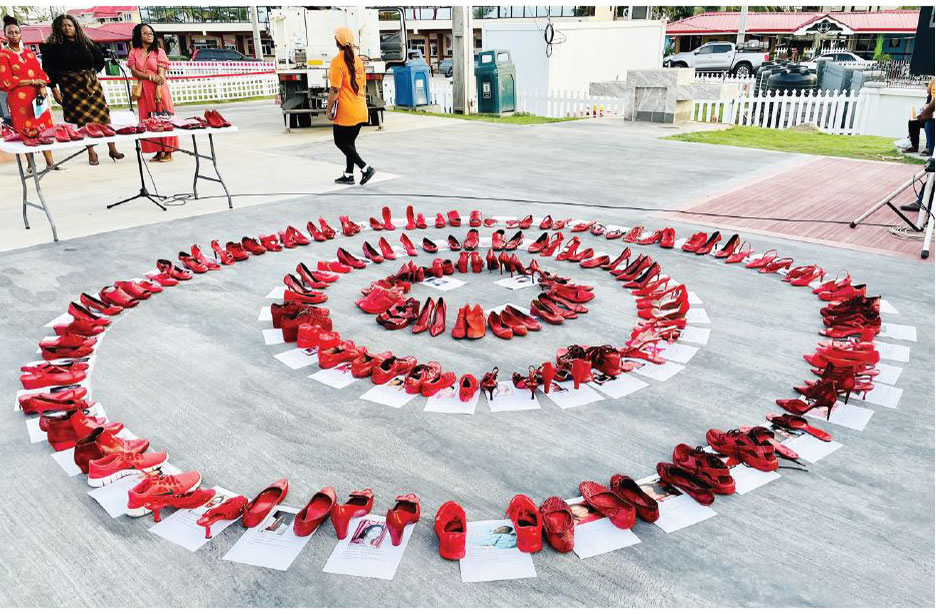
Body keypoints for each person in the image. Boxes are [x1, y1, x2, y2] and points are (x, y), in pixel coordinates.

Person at [40, 14, 123, 165]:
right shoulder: (53, 47)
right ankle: (91, 152)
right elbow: (49, 69)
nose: (66, 28)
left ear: (75, 26)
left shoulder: (86, 42)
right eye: (63, 26)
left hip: (90, 84)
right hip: (70, 87)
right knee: (82, 121)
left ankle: (112, 148)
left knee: (104, 117)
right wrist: (54, 89)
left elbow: (98, 61)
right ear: (58, 28)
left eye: (69, 25)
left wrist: (89, 75)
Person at [0, 15, 56, 174]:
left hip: (36, 97)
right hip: (18, 99)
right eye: (10, 33)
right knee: (24, 131)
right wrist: (32, 81)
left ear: (20, 34)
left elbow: (40, 73)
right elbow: (6, 80)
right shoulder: (3, 55)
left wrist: (42, 86)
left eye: (16, 32)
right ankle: (31, 164)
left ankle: (50, 162)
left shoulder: (29, 54)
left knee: (43, 128)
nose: (14, 35)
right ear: (5, 35)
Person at [328, 27, 375, 186]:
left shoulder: (337, 62)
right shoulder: (359, 60)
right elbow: (362, 85)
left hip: (345, 111)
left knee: (340, 142)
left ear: (337, 42)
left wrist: (328, 110)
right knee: (350, 143)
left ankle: (365, 167)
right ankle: (348, 175)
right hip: (361, 109)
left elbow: (335, 89)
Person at [127, 23, 178, 162]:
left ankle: (168, 150)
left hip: (159, 89)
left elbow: (160, 76)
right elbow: (133, 71)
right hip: (143, 90)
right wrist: (149, 77)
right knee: (148, 119)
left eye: (151, 33)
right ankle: (157, 150)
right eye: (145, 33)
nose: (149, 35)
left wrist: (158, 91)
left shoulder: (159, 52)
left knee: (164, 118)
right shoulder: (134, 52)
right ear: (138, 35)